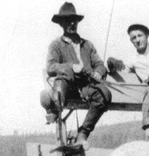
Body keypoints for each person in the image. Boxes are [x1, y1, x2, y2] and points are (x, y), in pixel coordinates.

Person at [42, 2, 111, 148]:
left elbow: (99, 63)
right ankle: (55, 114)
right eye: (67, 20)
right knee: (59, 85)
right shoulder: (56, 45)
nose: (72, 23)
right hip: (68, 85)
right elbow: (51, 67)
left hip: (86, 85)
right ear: (61, 23)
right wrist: (71, 67)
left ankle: (83, 133)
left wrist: (98, 72)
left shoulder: (87, 45)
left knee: (104, 94)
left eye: (74, 20)